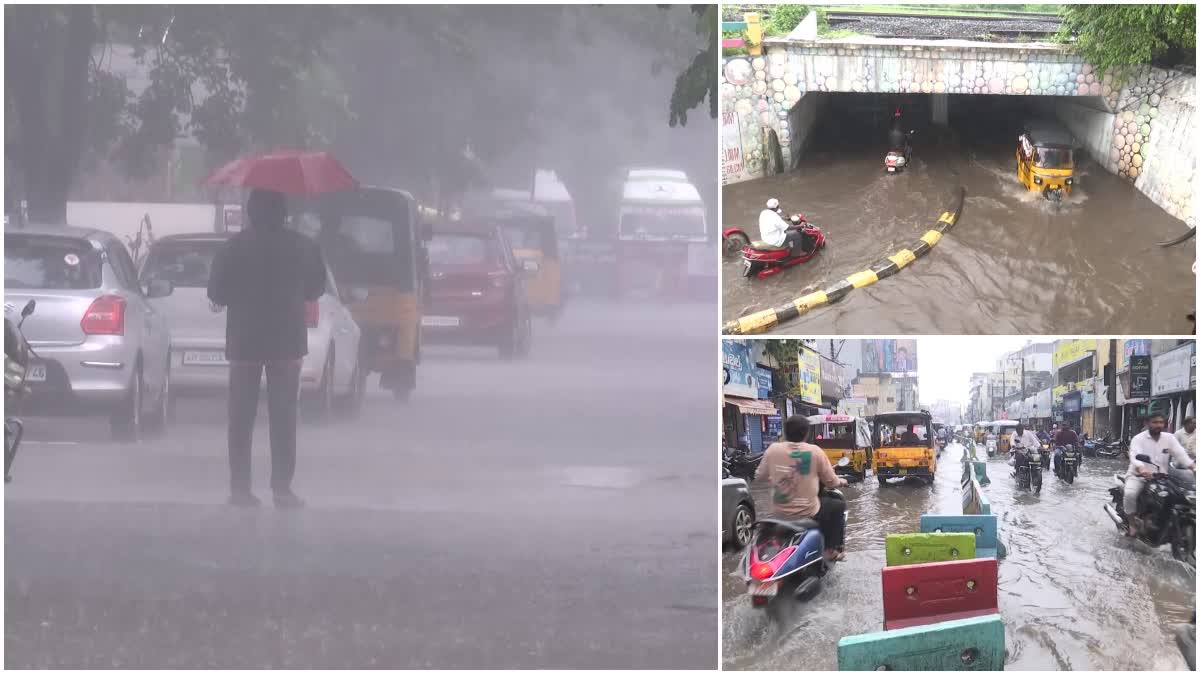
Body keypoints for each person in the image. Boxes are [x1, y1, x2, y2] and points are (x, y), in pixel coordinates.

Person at [208, 189, 327, 509]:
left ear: (250, 213)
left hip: (245, 342)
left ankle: (240, 488)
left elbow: (216, 293)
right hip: (286, 342)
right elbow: (317, 288)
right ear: (284, 212)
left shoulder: (233, 249)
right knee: (284, 417)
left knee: (241, 417)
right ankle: (282, 489)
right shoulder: (303, 247)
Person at [756, 415, 849, 561]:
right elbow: (831, 481)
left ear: (785, 432)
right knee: (838, 505)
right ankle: (831, 550)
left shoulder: (773, 449)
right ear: (806, 433)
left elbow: (759, 476)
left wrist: (774, 476)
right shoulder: (815, 451)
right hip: (808, 512)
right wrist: (841, 482)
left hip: (779, 512)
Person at [1124, 413, 1196, 536]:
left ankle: (1163, 522)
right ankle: (1132, 523)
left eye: (1161, 422)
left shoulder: (1169, 438)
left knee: (1179, 496)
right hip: (1138, 476)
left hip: (1161, 476)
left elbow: (1180, 454)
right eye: (1155, 422)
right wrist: (1142, 469)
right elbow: (1135, 457)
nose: (1159, 425)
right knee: (1130, 493)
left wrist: (1193, 467)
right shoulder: (1138, 439)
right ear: (1147, 423)